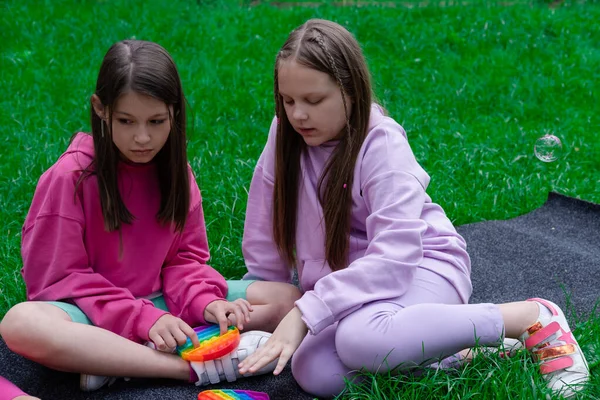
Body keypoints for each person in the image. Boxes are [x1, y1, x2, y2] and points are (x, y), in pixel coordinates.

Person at [236, 19, 590, 399]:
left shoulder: (381, 142)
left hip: (420, 267)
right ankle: (458, 353)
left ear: (351, 91)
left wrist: (306, 313)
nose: (298, 115)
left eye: (313, 100)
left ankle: (531, 319)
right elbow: (265, 224)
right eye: (288, 101)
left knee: (361, 340)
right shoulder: (285, 135)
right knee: (314, 371)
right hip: (353, 289)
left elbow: (395, 256)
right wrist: (264, 296)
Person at [0, 40, 299, 392]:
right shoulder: (70, 178)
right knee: (21, 323)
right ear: (100, 109)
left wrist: (209, 301)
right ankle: (182, 368)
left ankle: (125, 359)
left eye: (156, 121)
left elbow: (185, 260)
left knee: (288, 299)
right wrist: (141, 318)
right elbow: (58, 282)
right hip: (91, 316)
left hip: (165, 303)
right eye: (126, 121)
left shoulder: (177, 172)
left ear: (175, 112)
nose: (142, 137)